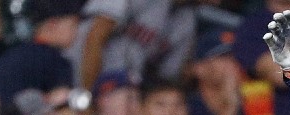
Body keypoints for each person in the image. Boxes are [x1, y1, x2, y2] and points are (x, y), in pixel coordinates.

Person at [70, 0, 198, 89]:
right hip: (72, 68)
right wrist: (87, 95)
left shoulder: (187, 22)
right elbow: (95, 37)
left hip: (116, 90)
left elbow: (166, 79)